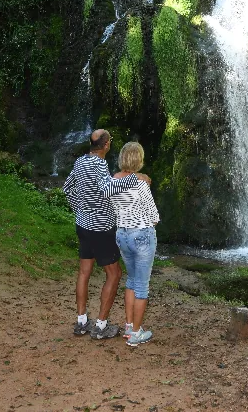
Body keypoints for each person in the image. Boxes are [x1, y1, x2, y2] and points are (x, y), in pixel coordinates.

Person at [63, 129, 151, 340]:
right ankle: (101, 325)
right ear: (106, 145)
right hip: (101, 228)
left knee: (84, 272)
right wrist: (134, 179)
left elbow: (67, 188)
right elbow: (107, 188)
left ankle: (82, 321)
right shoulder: (100, 164)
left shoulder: (80, 161)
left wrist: (81, 209)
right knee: (114, 274)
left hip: (83, 224)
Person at [112, 142, 159, 347]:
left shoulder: (113, 182)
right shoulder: (140, 185)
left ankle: (130, 326)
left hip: (122, 235)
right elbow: (154, 216)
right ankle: (136, 334)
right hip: (141, 236)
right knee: (142, 286)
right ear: (138, 160)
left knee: (131, 281)